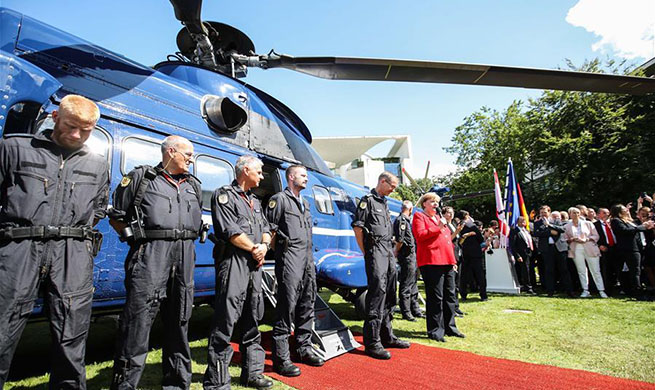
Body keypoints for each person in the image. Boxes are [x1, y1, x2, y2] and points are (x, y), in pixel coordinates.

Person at [0, 95, 109, 389]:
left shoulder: (97, 164)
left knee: (71, 336)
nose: (76, 135)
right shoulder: (14, 148)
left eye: (85, 131)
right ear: (54, 116)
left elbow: (99, 207)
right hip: (19, 248)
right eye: (71, 126)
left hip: (72, 253)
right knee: (2, 329)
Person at [109, 135, 204, 389]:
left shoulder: (193, 185)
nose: (191, 159)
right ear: (171, 152)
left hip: (184, 256)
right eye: (188, 154)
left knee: (180, 320)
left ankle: (176, 383)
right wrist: (136, 241)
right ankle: (125, 385)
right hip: (151, 255)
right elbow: (117, 216)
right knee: (137, 324)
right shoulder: (142, 179)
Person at [204, 155, 273, 390]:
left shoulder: (255, 201)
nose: (262, 176)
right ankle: (217, 381)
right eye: (260, 171)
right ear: (246, 170)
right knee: (226, 322)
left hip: (254, 264)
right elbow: (230, 231)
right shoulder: (224, 196)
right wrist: (255, 249)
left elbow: (266, 228)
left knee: (253, 318)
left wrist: (264, 246)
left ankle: (253, 374)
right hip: (234, 263)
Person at [264, 165, 324, 377]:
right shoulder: (279, 199)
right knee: (286, 306)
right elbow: (269, 230)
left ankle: (303, 348)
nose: (306, 178)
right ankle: (281, 358)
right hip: (289, 257)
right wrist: (279, 253)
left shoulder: (305, 203)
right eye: (302, 175)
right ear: (291, 177)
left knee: (307, 303)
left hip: (307, 258)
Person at [352, 172, 410, 360]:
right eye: (392, 186)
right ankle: (372, 342)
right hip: (375, 249)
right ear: (382, 182)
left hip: (387, 249)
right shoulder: (367, 201)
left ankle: (387, 335)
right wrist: (366, 251)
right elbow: (358, 228)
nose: (394, 190)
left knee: (391, 293)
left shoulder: (384, 202)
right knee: (377, 294)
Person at [412, 193, 463, 342]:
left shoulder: (440, 219)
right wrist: (439, 227)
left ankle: (450, 327)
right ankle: (435, 330)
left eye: (437, 202)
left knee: (450, 295)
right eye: (432, 201)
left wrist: (452, 261)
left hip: (447, 261)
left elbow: (447, 241)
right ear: (424, 204)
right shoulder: (419, 217)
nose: (435, 204)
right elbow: (420, 235)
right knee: (436, 297)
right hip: (432, 261)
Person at [610, 204, 655, 298]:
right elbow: (625, 231)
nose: (626, 210)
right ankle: (637, 291)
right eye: (624, 209)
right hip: (629, 249)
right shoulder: (616, 221)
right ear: (619, 211)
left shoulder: (628, 221)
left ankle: (639, 288)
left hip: (637, 247)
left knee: (638, 270)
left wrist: (646, 227)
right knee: (635, 270)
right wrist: (642, 227)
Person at [564, 207, 607, 298]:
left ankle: (601, 290)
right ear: (570, 214)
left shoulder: (588, 223)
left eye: (577, 213)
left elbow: (596, 236)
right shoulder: (567, 226)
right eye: (573, 213)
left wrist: (586, 239)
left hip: (589, 247)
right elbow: (565, 239)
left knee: (595, 270)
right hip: (576, 248)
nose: (576, 215)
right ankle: (585, 290)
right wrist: (572, 239)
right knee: (581, 270)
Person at [393, 200, 423, 321]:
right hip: (406, 256)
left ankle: (415, 309)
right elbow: (400, 240)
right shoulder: (401, 220)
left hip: (412, 255)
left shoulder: (406, 220)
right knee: (406, 284)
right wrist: (396, 251)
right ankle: (406, 311)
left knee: (413, 283)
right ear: (410, 210)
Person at [533, 206, 573, 297]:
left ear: (549, 212)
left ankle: (569, 291)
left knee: (564, 270)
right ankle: (550, 291)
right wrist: (550, 231)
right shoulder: (537, 223)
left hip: (559, 248)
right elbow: (536, 233)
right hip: (547, 249)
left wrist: (549, 225)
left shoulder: (556, 221)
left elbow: (562, 229)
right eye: (541, 212)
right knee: (549, 270)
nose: (543, 214)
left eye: (545, 212)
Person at [458, 211, 487, 301]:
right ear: (467, 216)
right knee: (480, 275)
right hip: (475, 253)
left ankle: (463, 294)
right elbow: (481, 239)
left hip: (465, 253)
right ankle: (483, 295)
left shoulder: (458, 226)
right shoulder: (472, 226)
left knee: (464, 275)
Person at [443, 206, 464, 317]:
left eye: (452, 213)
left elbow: (457, 240)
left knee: (456, 283)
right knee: (451, 284)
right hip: (450, 255)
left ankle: (456, 306)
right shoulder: (444, 225)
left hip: (457, 253)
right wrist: (457, 232)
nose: (450, 215)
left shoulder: (453, 224)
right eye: (448, 213)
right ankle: (452, 307)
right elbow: (448, 239)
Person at [594, 208, 619, 293]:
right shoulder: (595, 225)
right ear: (598, 215)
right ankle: (608, 289)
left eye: (608, 213)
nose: (606, 214)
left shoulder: (614, 223)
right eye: (604, 213)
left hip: (616, 247)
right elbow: (593, 237)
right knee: (606, 269)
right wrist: (599, 245)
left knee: (618, 268)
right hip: (604, 248)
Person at [509, 216, 535, 294]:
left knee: (530, 269)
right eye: (521, 221)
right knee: (525, 270)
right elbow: (513, 245)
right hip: (522, 253)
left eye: (524, 221)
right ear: (518, 222)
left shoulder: (526, 230)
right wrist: (517, 256)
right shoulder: (514, 231)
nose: (523, 222)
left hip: (529, 252)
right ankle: (527, 287)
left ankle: (532, 285)